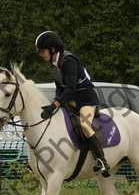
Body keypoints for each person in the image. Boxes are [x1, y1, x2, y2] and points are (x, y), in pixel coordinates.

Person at [35, 30, 110, 176]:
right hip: (70, 101)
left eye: (42, 51)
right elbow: (59, 88)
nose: (41, 55)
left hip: (86, 101)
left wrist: (55, 105)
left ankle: (102, 161)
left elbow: (70, 88)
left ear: (52, 49)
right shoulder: (53, 64)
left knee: (84, 125)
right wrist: (56, 100)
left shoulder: (69, 61)